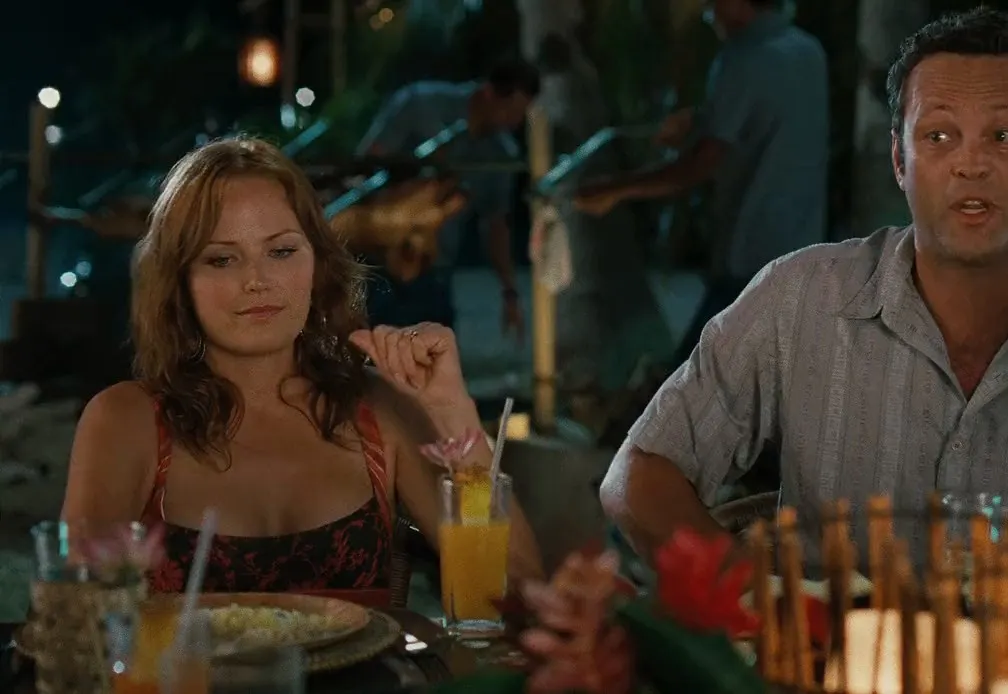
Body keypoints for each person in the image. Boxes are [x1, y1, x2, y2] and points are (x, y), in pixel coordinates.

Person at [600, 8, 1008, 574]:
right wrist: (759, 603)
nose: (971, 163)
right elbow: (638, 479)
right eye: (939, 136)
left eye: (1003, 136)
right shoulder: (798, 302)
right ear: (900, 159)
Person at [60, 137, 544, 605]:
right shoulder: (125, 421)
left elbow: (512, 591)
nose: (257, 280)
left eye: (282, 251)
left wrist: (452, 412)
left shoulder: (377, 410)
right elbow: (79, 616)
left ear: (317, 263)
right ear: (179, 281)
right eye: (222, 258)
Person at [573, 0, 829, 363]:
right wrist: (700, 122)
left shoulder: (742, 58)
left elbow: (700, 165)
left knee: (692, 380)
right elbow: (764, 121)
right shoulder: (808, 51)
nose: (711, 13)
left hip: (749, 256)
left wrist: (613, 190)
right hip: (802, 251)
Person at [356, 57, 541, 338]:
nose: (514, 122)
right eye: (511, 110)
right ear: (489, 93)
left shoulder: (500, 153)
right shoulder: (422, 104)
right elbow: (368, 163)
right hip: (380, 259)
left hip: (435, 270)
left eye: (521, 115)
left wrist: (510, 291)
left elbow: (496, 224)